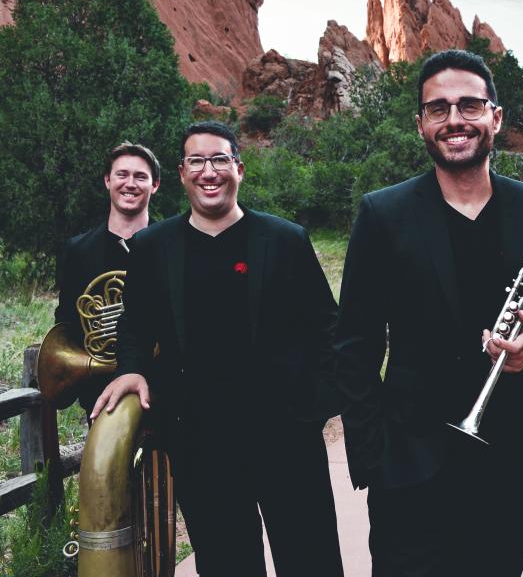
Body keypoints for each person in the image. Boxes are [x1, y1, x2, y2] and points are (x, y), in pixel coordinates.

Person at [334, 49, 523, 576]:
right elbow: (354, 343)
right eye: (438, 108)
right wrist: (373, 453)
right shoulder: (383, 213)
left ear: (496, 116)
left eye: (469, 105)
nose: (454, 120)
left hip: (512, 456)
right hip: (409, 461)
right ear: (421, 123)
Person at [91, 121, 343, 576]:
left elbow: (328, 327)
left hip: (287, 437)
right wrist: (130, 369)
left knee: (312, 559)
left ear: (239, 169)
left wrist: (316, 404)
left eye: (220, 159)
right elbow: (134, 326)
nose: (210, 171)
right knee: (227, 564)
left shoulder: (285, 239)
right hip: (200, 441)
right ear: (183, 173)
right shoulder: (152, 246)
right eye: (197, 161)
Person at [54, 142, 160, 416]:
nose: (130, 183)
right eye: (122, 174)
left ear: (155, 185)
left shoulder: (170, 244)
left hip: (162, 384)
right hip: (101, 387)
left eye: (140, 176)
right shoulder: (77, 250)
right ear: (107, 181)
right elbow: (67, 319)